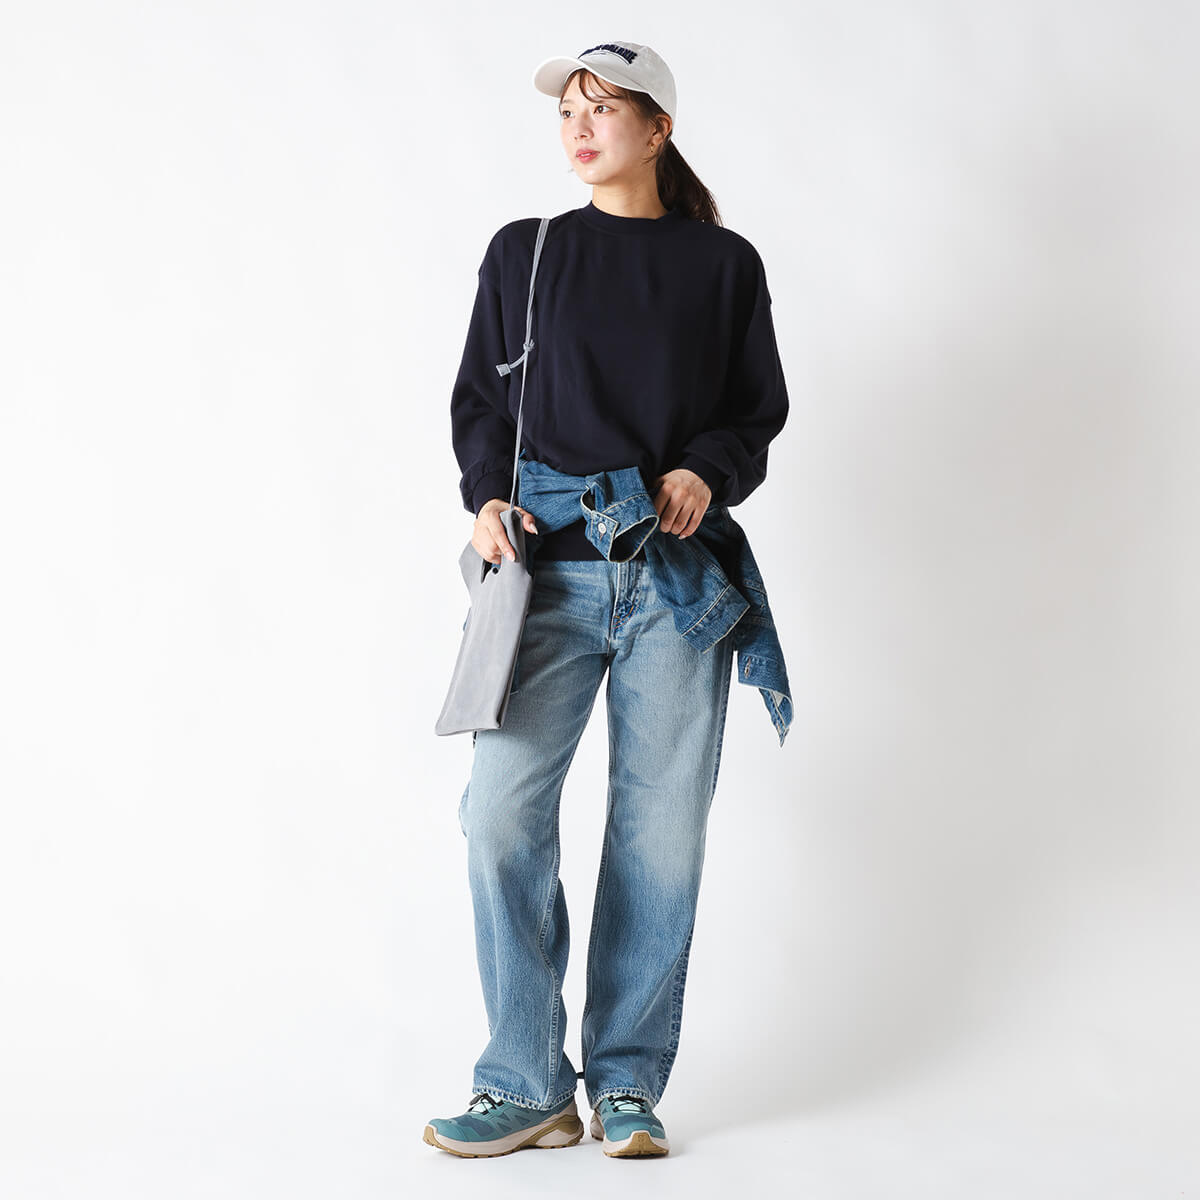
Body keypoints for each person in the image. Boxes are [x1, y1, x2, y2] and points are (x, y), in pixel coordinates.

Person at [424, 40, 792, 1160]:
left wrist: (704, 471)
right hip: (548, 574)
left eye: (603, 108)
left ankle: (626, 1083)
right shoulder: (527, 252)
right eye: (567, 111)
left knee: (659, 837)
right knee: (499, 817)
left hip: (675, 581)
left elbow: (755, 412)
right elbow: (481, 401)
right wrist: (484, 497)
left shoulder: (722, 265)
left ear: (658, 129)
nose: (579, 127)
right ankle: (527, 1082)